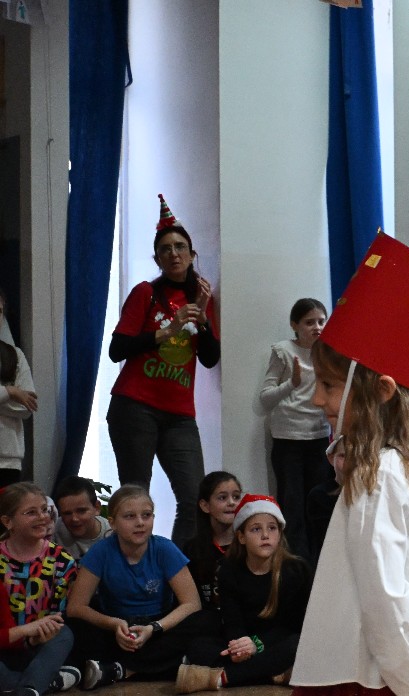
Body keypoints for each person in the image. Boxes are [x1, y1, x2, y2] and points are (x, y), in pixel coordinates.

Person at [291, 232, 409, 696]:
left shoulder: (385, 472)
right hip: (367, 671)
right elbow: (386, 596)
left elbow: (389, 597)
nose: (316, 399)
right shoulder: (383, 471)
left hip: (371, 673)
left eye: (329, 386)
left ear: (382, 391)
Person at [106, 194, 219, 547]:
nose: (174, 253)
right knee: (135, 497)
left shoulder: (202, 298)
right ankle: (134, 565)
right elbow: (117, 349)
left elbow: (210, 359)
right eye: (165, 249)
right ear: (157, 258)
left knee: (195, 499)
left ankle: (176, 570)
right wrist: (168, 330)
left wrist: (203, 321)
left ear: (192, 254)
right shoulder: (146, 293)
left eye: (180, 247)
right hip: (134, 406)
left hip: (179, 414)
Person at [66, 484, 205, 690]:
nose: (140, 523)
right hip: (116, 627)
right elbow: (75, 607)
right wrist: (113, 624)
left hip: (158, 626)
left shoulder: (164, 549)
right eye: (130, 516)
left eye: (146, 515)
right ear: (112, 523)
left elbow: (192, 603)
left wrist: (154, 628)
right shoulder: (101, 552)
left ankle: (122, 670)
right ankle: (165, 665)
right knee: (73, 625)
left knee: (206, 621)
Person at [176, 495, 313, 693]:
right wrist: (239, 647)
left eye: (272, 528)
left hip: (278, 641)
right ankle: (274, 674)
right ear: (241, 537)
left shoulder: (295, 570)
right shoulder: (229, 571)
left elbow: (294, 626)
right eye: (256, 529)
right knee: (199, 646)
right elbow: (233, 622)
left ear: (280, 533)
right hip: (246, 643)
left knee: (297, 645)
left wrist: (257, 644)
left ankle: (223, 677)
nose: (265, 535)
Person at [259, 298, 333, 559]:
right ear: (295, 325)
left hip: (319, 437)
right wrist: (292, 382)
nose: (317, 327)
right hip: (288, 438)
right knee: (292, 506)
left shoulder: (329, 352)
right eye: (309, 322)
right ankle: (296, 563)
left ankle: (319, 562)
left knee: (319, 503)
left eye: (321, 321)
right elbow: (265, 398)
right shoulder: (283, 351)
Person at [0, 483, 80, 694]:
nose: (43, 517)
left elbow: (59, 615)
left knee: (64, 634)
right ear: (8, 522)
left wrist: (41, 635)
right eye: (31, 512)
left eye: (45, 510)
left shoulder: (61, 560)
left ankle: (28, 689)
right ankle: (46, 681)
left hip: (42, 646)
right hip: (3, 645)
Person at [182, 471, 242, 614]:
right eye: (222, 497)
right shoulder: (192, 549)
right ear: (205, 506)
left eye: (236, 497)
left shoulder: (249, 543)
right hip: (208, 619)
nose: (231, 503)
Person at [0, 287, 38, 488]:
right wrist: (11, 391)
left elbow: (26, 406)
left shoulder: (15, 355)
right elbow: (18, 398)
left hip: (8, 460)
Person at [52, 476, 112, 559]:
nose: (74, 519)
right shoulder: (54, 530)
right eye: (67, 513)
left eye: (81, 511)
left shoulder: (113, 536)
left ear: (97, 508)